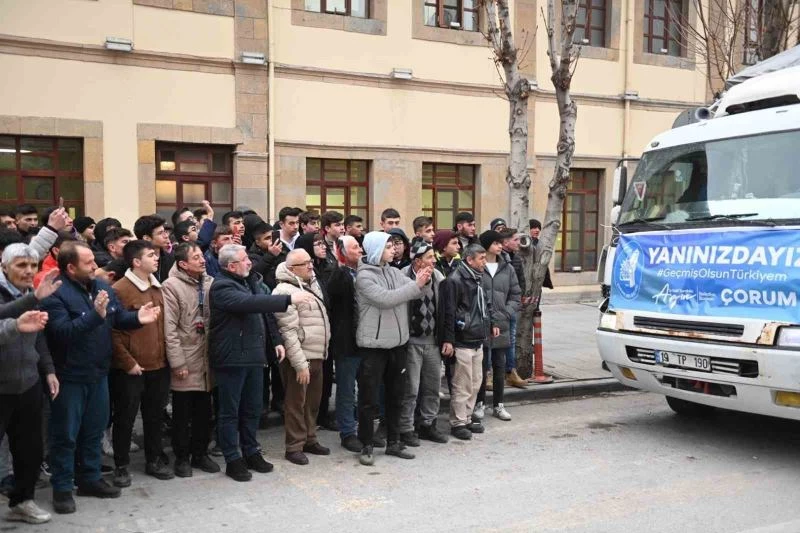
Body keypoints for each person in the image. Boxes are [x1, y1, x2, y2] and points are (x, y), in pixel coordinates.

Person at [41, 241, 160, 515]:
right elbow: (61, 333)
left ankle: (90, 479)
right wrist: (95, 315)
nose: (95, 266)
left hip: (98, 374)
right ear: (71, 268)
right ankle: (62, 488)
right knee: (66, 435)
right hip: (69, 376)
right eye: (88, 263)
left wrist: (137, 318)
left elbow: (116, 318)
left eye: (94, 261)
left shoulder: (102, 287)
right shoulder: (55, 293)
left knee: (94, 431)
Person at [208, 244, 312, 482]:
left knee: (253, 409)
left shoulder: (250, 280)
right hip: (231, 358)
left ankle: (252, 451)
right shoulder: (222, 285)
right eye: (245, 260)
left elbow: (264, 314)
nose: (249, 262)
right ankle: (233, 459)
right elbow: (250, 304)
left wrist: (275, 340)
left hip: (254, 355)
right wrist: (289, 299)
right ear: (232, 265)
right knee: (230, 413)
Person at [355, 231, 430, 466]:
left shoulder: (394, 272)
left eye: (393, 246)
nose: (393, 250)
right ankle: (366, 443)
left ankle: (394, 441)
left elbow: (417, 291)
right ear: (377, 249)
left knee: (396, 395)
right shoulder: (364, 277)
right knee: (369, 398)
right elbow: (385, 299)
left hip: (397, 345)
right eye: (388, 247)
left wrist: (425, 279)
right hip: (374, 346)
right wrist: (416, 285)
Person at [0, 244, 62, 524]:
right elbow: (7, 317)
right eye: (21, 265)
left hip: (28, 384)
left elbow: (39, 336)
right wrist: (30, 302)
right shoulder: (27, 296)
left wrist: (47, 370)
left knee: (30, 450)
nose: (28, 271)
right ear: (4, 266)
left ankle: (22, 502)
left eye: (32, 266)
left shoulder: (31, 294)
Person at [110, 240, 172, 487]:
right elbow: (113, 332)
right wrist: (127, 362)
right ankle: (121, 465)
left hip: (159, 364)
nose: (157, 259)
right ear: (136, 262)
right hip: (131, 368)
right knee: (125, 417)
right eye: (150, 255)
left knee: (155, 415)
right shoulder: (120, 289)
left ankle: (153, 459)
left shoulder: (157, 288)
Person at [162, 243, 220, 478]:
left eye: (201, 256)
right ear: (183, 264)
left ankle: (200, 454)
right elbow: (170, 328)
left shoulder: (209, 282)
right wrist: (178, 363)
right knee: (182, 413)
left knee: (204, 412)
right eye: (196, 257)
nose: (202, 260)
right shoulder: (171, 286)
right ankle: (182, 457)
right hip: (186, 357)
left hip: (207, 357)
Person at [272, 250, 331, 465]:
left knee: (312, 402)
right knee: (296, 403)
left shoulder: (310, 284)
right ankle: (294, 446)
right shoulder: (282, 291)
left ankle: (310, 438)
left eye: (310, 262)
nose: (310, 266)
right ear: (291, 268)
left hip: (317, 353)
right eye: (305, 263)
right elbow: (288, 331)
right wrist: (299, 364)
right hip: (300, 357)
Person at [439, 244, 492, 441]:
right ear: (470, 260)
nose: (484, 262)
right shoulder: (456, 280)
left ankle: (468, 417)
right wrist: (449, 340)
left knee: (476, 382)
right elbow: (450, 312)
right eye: (481, 258)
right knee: (462, 384)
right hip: (462, 340)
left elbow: (485, 305)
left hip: (477, 338)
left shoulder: (478, 278)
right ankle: (458, 422)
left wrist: (490, 324)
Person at [399, 239, 448, 446]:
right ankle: (406, 428)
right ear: (418, 261)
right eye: (429, 257)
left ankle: (428, 424)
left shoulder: (438, 277)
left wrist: (445, 338)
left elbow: (445, 310)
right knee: (411, 388)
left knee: (432, 386)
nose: (434, 261)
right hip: (411, 342)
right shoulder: (402, 276)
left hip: (433, 342)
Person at [474, 231, 520, 423]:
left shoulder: (507, 267)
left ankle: (499, 404)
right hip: (482, 324)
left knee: (500, 366)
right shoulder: (478, 267)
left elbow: (515, 295)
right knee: (482, 367)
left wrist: (507, 313)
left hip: (502, 323)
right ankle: (479, 404)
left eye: (501, 243)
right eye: (495, 243)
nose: (500, 246)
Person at [327, 236, 362, 452]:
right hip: (347, 341)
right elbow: (336, 297)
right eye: (355, 247)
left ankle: (364, 428)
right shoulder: (338, 274)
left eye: (360, 246)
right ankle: (348, 432)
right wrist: (340, 264)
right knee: (347, 389)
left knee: (367, 388)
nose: (360, 251)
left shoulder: (366, 272)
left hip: (368, 340)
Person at [499, 228, 528, 389]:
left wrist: (517, 301)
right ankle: (490, 373)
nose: (519, 243)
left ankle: (510, 371)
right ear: (505, 242)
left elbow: (521, 282)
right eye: (515, 240)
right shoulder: (497, 258)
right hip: (497, 306)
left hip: (511, 306)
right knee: (494, 341)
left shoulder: (516, 259)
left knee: (511, 339)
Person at [133, 215, 174, 283]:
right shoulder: (135, 262)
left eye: (165, 232)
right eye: (160, 233)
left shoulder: (171, 258)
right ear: (147, 238)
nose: (166, 236)